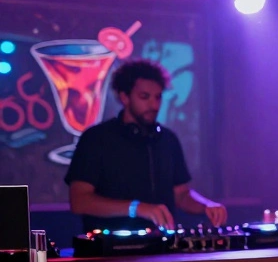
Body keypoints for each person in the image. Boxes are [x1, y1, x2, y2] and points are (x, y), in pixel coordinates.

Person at [66, 59, 225, 231]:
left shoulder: (167, 139)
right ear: (124, 97)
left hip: (162, 249)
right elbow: (80, 201)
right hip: (109, 252)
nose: (154, 105)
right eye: (144, 97)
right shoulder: (96, 139)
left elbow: (181, 194)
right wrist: (137, 208)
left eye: (158, 97)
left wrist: (207, 206)